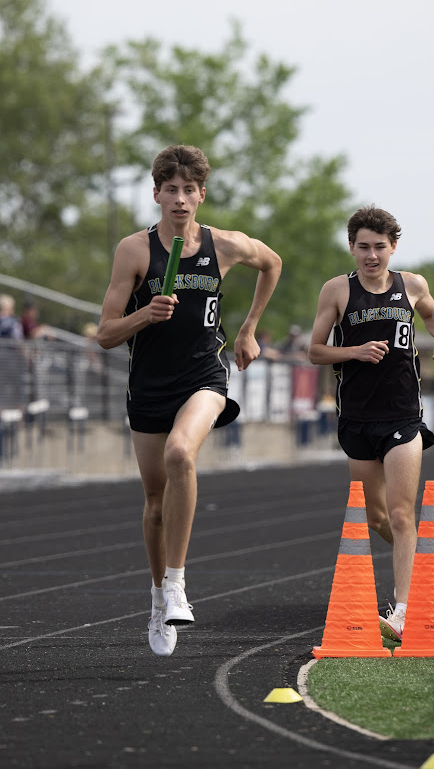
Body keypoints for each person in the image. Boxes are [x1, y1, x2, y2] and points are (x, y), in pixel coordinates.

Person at [97, 145, 282, 658]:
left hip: (204, 375)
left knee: (183, 453)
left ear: (202, 194)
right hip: (149, 384)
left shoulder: (224, 245)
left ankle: (177, 583)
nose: (180, 199)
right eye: (170, 190)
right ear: (156, 193)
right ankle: (158, 597)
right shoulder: (134, 251)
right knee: (155, 505)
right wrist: (145, 316)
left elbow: (273, 264)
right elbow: (106, 334)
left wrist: (247, 330)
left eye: (189, 190)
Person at [308, 205, 434, 642]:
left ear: (393, 247)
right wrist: (353, 352)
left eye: (379, 247)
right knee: (376, 516)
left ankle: (405, 607)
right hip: (356, 417)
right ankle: (427, 566)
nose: (371, 256)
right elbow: (315, 351)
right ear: (351, 247)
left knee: (401, 511)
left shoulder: (411, 284)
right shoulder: (337, 291)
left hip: (402, 413)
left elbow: (432, 315)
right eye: (363, 247)